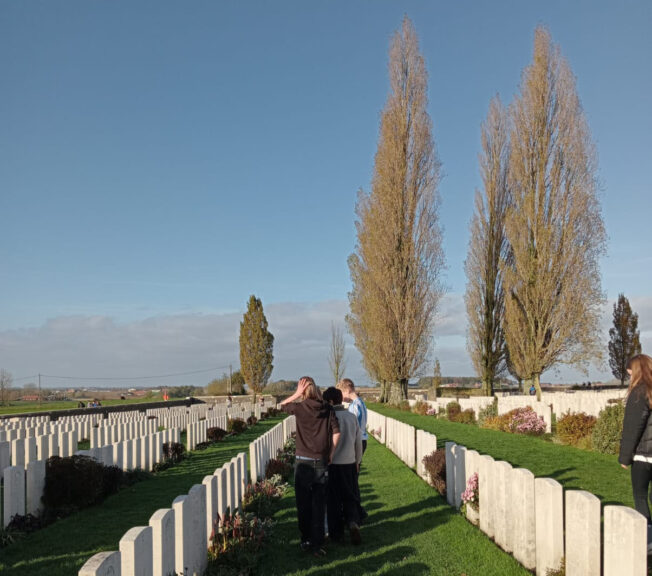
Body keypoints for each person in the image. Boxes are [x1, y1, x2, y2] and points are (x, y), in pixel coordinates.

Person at [281, 377, 340, 557]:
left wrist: (296, 395)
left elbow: (282, 406)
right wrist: (331, 453)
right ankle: (317, 543)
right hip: (321, 460)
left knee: (304, 504)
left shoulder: (300, 408)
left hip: (303, 462)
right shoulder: (328, 408)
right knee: (319, 504)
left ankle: (306, 539)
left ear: (304, 391)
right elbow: (337, 433)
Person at [323, 387, 362, 545]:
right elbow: (358, 441)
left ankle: (337, 533)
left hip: (332, 464)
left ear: (330, 401)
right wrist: (357, 461)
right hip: (349, 463)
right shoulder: (351, 417)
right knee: (349, 496)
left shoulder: (327, 418)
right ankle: (352, 522)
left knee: (333, 499)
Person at [619, 354, 652, 533]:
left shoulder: (639, 392)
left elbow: (633, 427)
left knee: (640, 496)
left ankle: (647, 538)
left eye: (630, 373)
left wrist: (625, 457)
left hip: (644, 456)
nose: (630, 377)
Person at [337, 378, 368, 522]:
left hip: (357, 441)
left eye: (342, 392)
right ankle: (357, 511)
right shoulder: (360, 403)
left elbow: (352, 428)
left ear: (347, 390)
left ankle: (356, 513)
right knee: (353, 478)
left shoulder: (355, 406)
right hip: (361, 440)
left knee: (352, 479)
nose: (342, 397)